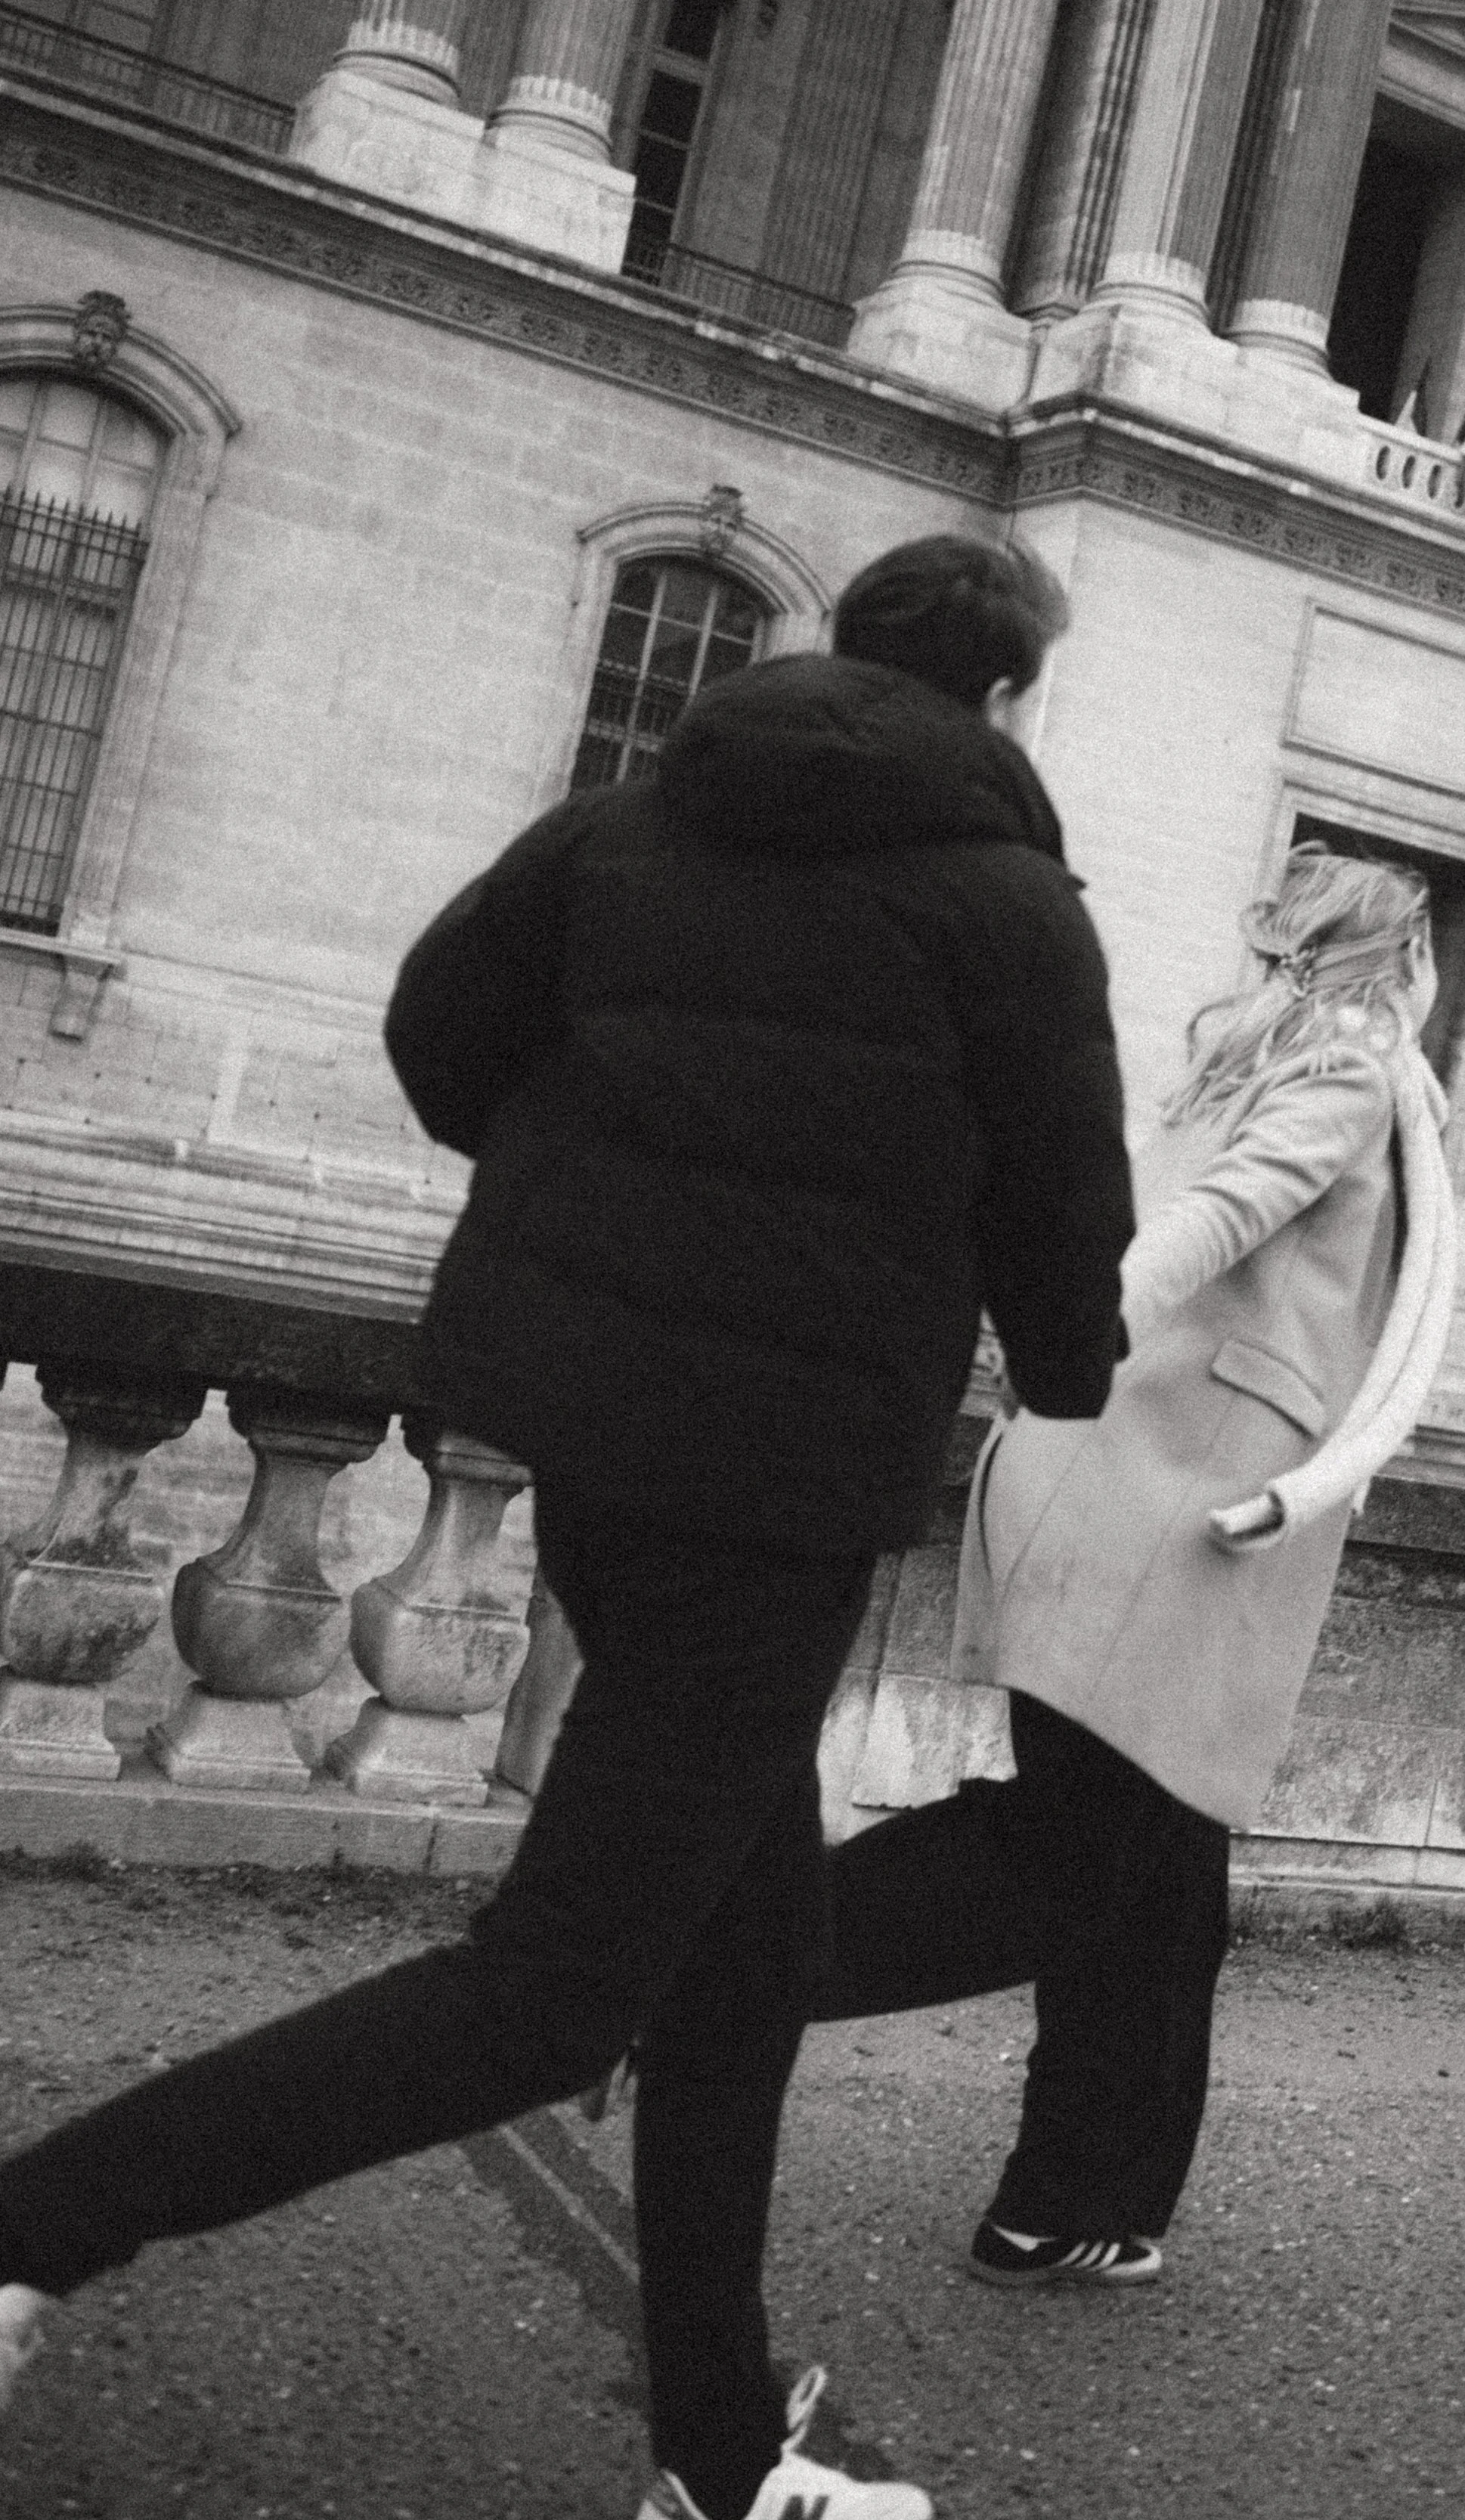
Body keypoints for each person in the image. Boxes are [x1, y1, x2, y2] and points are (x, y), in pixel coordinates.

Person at [0, 534, 1135, 2520]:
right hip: (775, 1471)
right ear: (1010, 697)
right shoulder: (1011, 905)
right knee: (558, 1986)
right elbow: (1065, 1211)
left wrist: (587, 1190)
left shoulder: (636, 815)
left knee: (746, 1944)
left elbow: (442, 1027)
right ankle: (37, 2220)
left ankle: (714, 2453)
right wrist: (1062, 1367)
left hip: (588, 1425)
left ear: (841, 643)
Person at [803, 845, 1457, 2286]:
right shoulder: (1348, 1067)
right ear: (1402, 956)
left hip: (1138, 1484)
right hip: (1168, 1503)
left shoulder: (1249, 1061)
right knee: (1090, 1865)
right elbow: (1215, 1226)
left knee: (1161, 1890)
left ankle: (1083, 2204)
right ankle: (736, 1960)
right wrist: (1076, 1328)